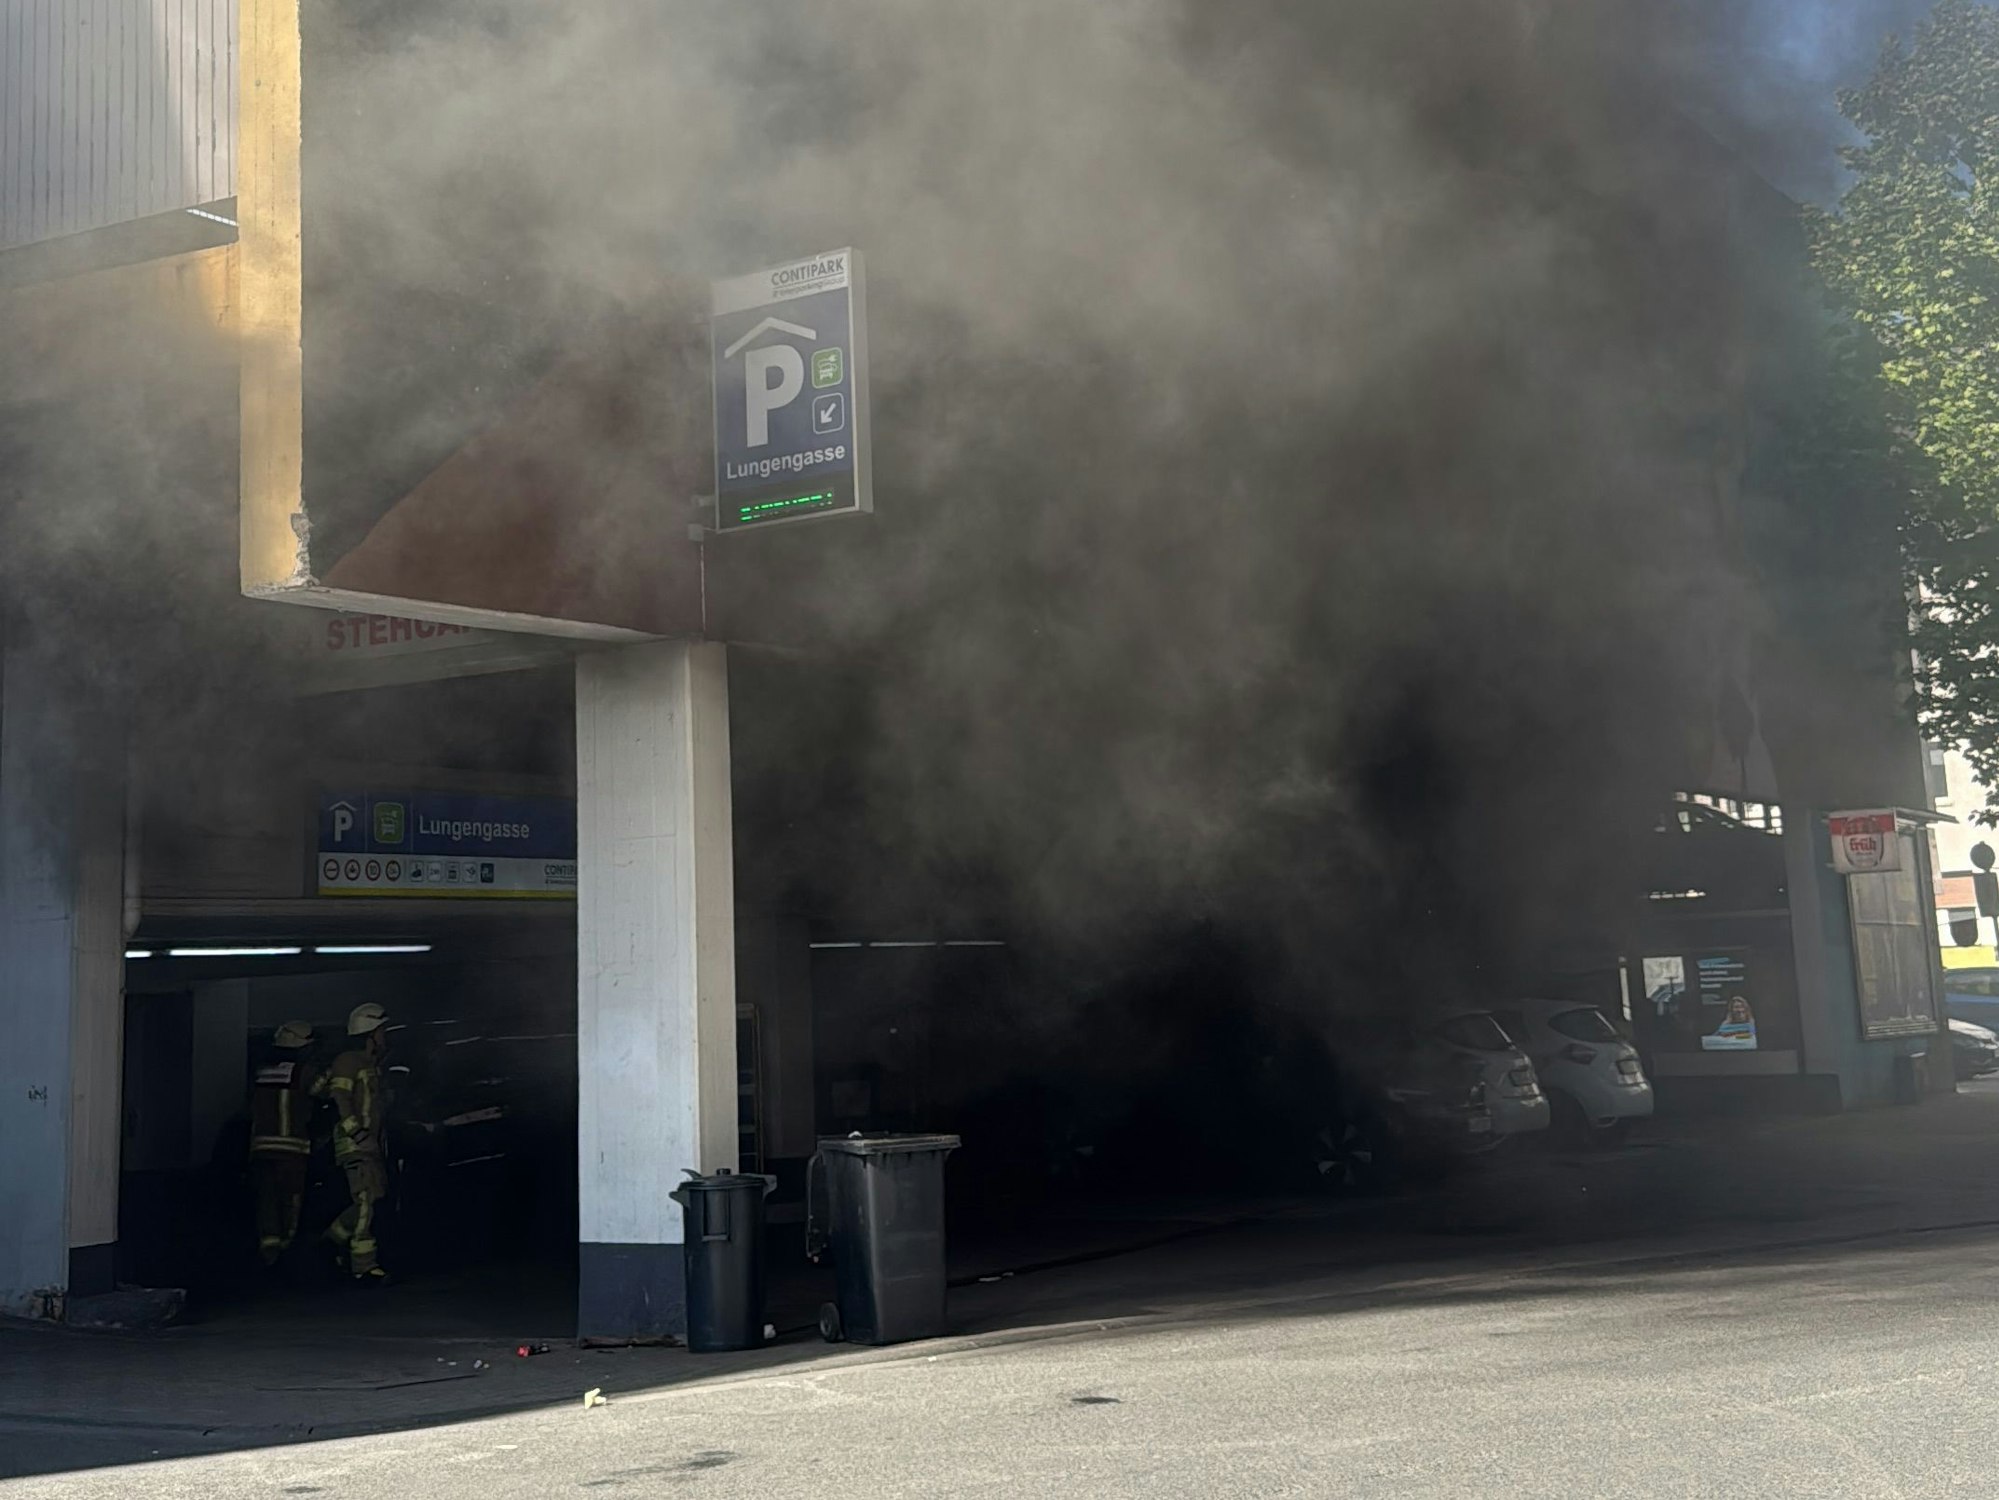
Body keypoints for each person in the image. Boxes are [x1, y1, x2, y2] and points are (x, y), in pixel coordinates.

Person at [315, 1003, 394, 1283]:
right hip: (355, 1145)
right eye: (381, 1030)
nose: (385, 1035)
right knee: (366, 1204)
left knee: (371, 1200)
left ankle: (329, 1243)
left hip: (370, 1145)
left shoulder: (370, 1065)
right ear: (369, 1032)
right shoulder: (348, 1062)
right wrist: (357, 1134)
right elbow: (340, 1099)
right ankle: (363, 1267)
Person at [248, 1020, 317, 1266]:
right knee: (291, 1202)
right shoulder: (305, 1072)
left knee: (266, 1202)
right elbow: (324, 1092)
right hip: (292, 1149)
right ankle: (287, 1255)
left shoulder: (262, 1072)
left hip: (261, 1150)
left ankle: (268, 1254)